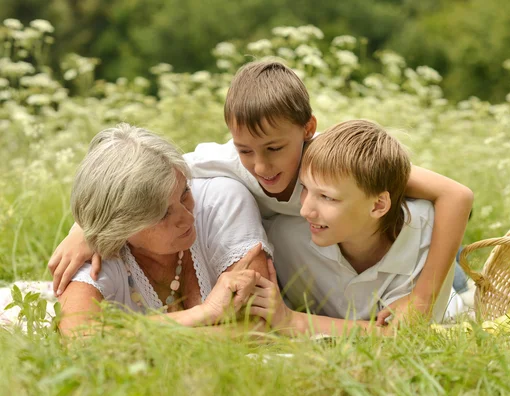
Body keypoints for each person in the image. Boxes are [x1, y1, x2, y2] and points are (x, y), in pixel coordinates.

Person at [49, 60, 473, 320]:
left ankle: (456, 289)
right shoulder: (227, 161)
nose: (261, 165)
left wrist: (421, 300)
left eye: (275, 148)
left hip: (410, 245)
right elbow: (131, 182)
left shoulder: (336, 164)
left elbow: (457, 196)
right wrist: (85, 229)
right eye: (246, 150)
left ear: (308, 129)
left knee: (448, 295)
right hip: (332, 262)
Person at [57, 124, 273, 334]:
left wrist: (131, 337)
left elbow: (259, 326)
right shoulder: (94, 252)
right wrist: (204, 314)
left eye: (185, 193)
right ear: (121, 228)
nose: (187, 217)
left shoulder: (221, 201)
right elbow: (80, 337)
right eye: (163, 214)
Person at [248, 120, 455, 335]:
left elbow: (400, 335)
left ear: (378, 205)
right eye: (305, 188)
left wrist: (292, 320)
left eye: (327, 197)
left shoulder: (428, 236)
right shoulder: (285, 238)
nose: (305, 211)